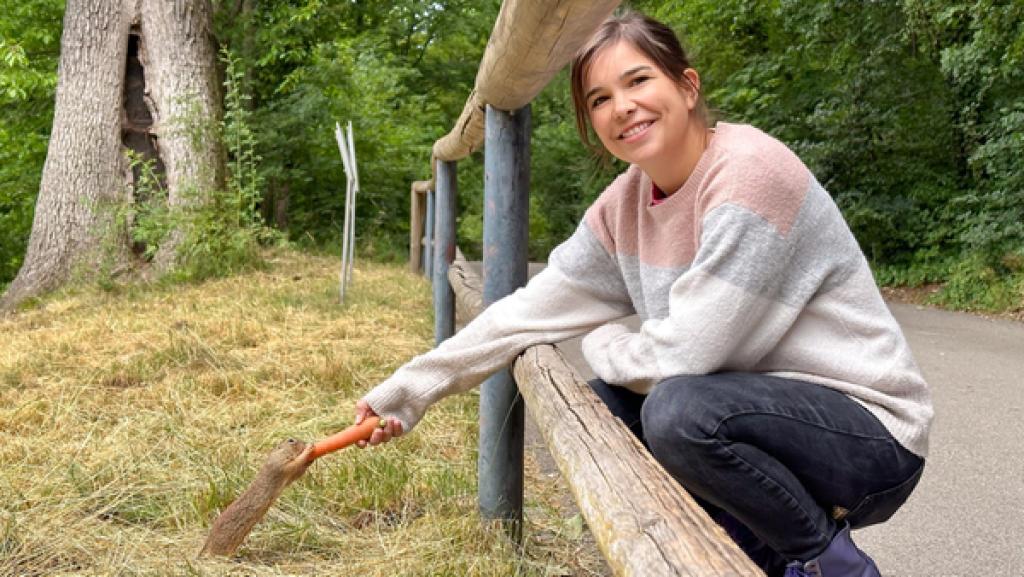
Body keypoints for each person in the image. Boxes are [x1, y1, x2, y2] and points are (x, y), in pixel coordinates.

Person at [355, 11, 932, 577]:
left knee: (678, 413)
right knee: (606, 410)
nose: (622, 106)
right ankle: (737, 559)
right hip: (760, 418)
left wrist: (603, 342)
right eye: (600, 99)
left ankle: (832, 566)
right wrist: (409, 390)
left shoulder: (750, 175)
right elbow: (525, 313)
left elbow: (688, 353)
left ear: (687, 86)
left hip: (870, 435)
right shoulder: (622, 208)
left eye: (638, 80)